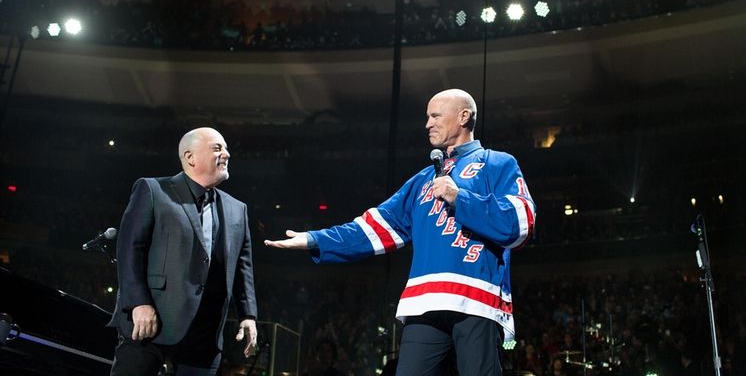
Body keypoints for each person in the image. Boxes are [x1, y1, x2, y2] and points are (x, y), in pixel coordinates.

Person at [265, 89, 535, 376]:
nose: (427, 124)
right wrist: (314, 239)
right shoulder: (421, 181)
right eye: (426, 117)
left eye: (435, 116)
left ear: (463, 116)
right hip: (424, 301)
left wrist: (461, 199)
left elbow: (521, 223)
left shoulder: (498, 163)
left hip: (477, 300)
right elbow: (371, 228)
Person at [108, 127, 258, 376]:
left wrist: (248, 315)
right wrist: (138, 303)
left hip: (205, 336)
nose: (227, 154)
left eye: (227, 148)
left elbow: (243, 267)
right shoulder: (154, 190)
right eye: (217, 148)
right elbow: (130, 249)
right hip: (152, 325)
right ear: (190, 157)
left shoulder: (237, 209)